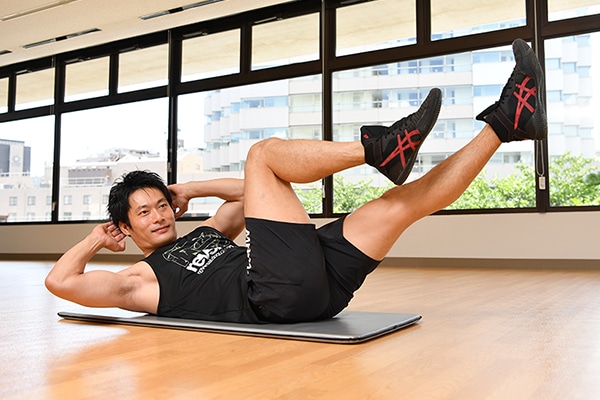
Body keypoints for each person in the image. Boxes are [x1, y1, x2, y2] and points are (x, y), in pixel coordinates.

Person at [45, 39, 547, 324]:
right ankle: (378, 149)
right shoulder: (138, 280)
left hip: (314, 285)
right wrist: (96, 239)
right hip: (272, 295)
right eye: (143, 212)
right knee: (261, 154)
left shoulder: (207, 233)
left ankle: (508, 122)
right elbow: (60, 282)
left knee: (401, 204)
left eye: (160, 204)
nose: (158, 215)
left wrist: (193, 189)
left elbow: (257, 192)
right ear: (125, 227)